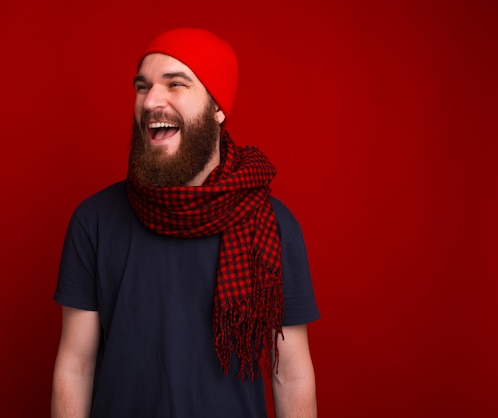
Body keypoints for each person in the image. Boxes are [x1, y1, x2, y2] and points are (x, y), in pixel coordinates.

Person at [51, 28, 320, 418]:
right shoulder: (93, 220)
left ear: (217, 107)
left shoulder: (271, 225)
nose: (150, 101)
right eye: (143, 87)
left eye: (175, 84)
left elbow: (291, 374)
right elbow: (76, 366)